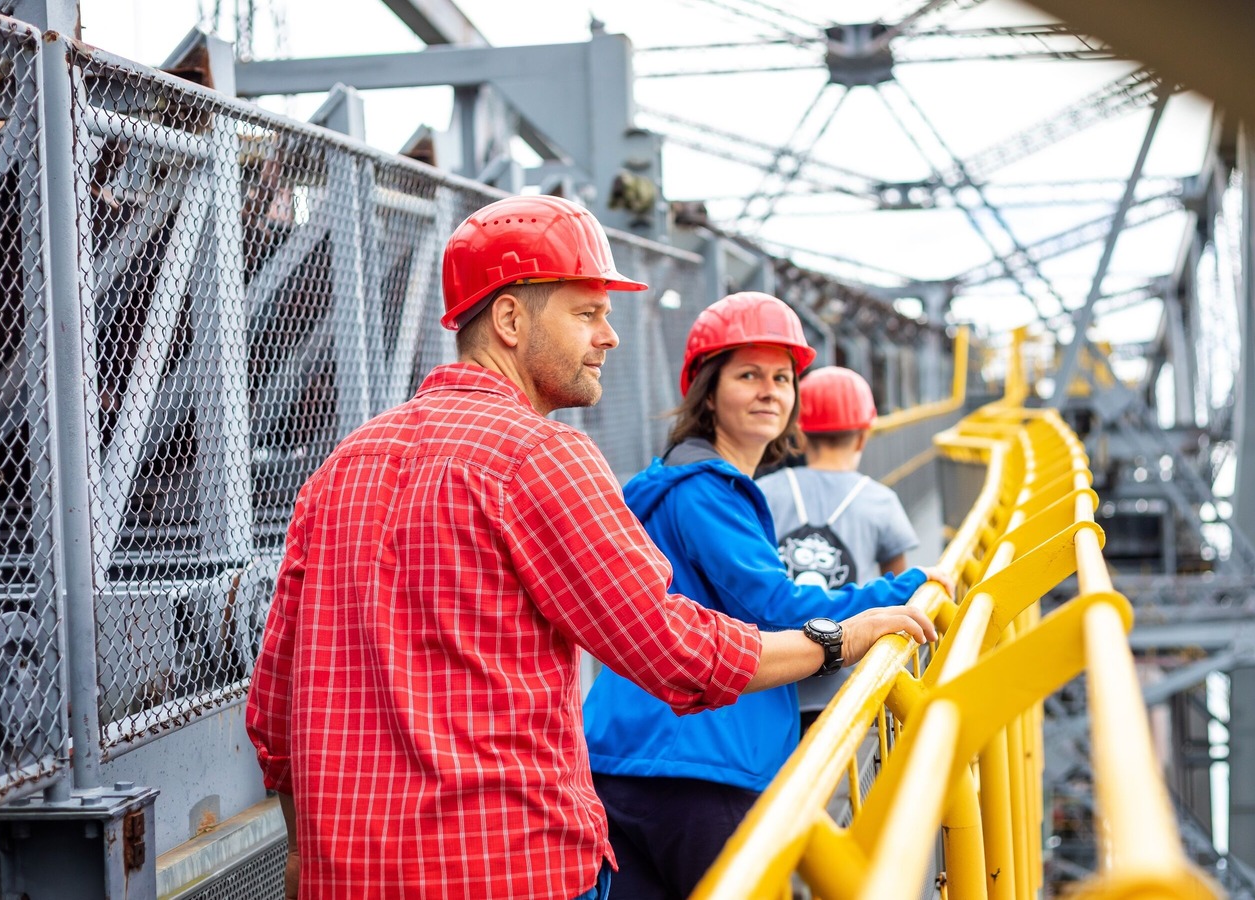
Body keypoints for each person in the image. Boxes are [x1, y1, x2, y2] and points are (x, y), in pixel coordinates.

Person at [244, 195, 936, 900]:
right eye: (586, 313)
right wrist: (837, 639)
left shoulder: (342, 466)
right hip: (511, 866)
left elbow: (274, 704)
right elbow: (672, 648)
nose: (608, 337)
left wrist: (303, 852)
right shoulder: (542, 455)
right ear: (511, 320)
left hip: (350, 876)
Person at [582, 292, 946, 900]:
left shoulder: (676, 483)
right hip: (701, 766)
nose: (770, 390)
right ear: (707, 389)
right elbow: (775, 606)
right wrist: (914, 585)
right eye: (748, 374)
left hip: (628, 757)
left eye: (783, 377)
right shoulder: (705, 492)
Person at [758, 365, 953, 732]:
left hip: (773, 679)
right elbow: (897, 592)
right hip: (847, 687)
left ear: (798, 436)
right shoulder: (880, 501)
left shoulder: (764, 491)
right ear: (863, 436)